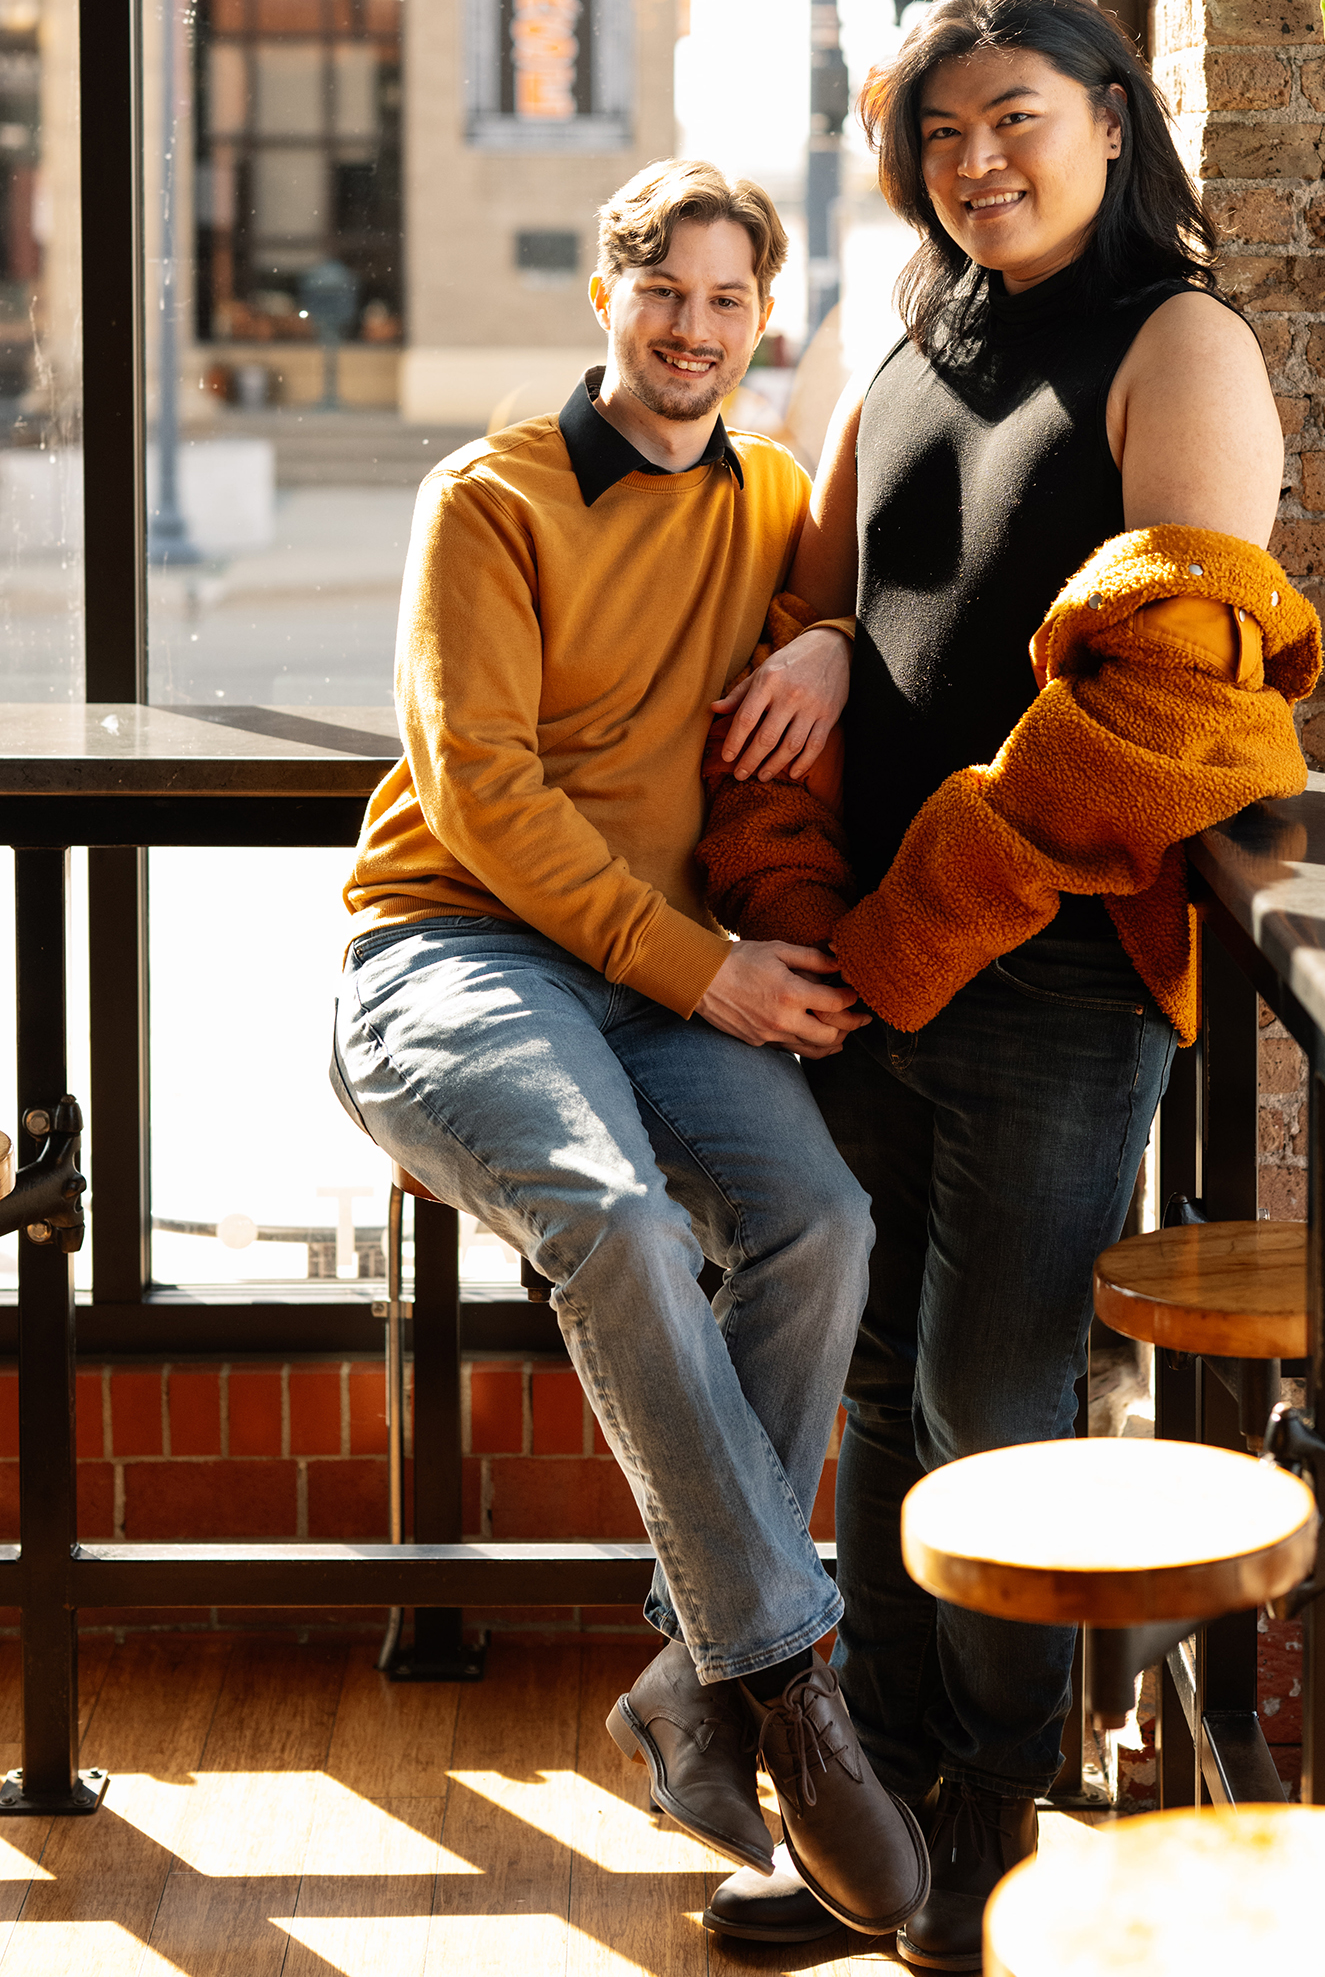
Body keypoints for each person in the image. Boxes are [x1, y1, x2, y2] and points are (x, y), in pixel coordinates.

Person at [700, 0, 1316, 1968]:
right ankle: (866, 1804)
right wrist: (806, 645)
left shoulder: (1180, 336)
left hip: (1048, 966)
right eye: (946, 134)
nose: (981, 160)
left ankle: (996, 1814)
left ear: (1117, 121)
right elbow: (836, 591)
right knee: (879, 1373)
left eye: (1020, 117)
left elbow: (1168, 700)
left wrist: (902, 925)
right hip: (865, 950)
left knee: (989, 1384)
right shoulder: (904, 348)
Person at [330, 158, 928, 1940]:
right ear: (608, 296)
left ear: (761, 318)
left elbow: (828, 603)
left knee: (823, 1225)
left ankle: (688, 1686)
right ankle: (786, 1686)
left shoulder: (760, 490)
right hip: (452, 950)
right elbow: (485, 797)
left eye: (729, 301)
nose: (694, 330)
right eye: (665, 293)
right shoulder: (491, 498)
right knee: (616, 1219)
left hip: (659, 981)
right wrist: (712, 970)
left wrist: (820, 638)